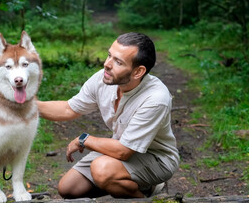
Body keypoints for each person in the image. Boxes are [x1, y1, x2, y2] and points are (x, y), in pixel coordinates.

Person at [37, 32, 179, 199]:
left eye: (118, 62)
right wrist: (25, 105)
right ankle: (136, 185)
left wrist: (84, 139)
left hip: (156, 158)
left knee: (102, 170)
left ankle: (146, 195)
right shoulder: (104, 78)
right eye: (109, 55)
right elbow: (68, 109)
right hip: (120, 148)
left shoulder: (155, 99)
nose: (107, 64)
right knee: (68, 188)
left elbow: (124, 152)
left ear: (138, 72)